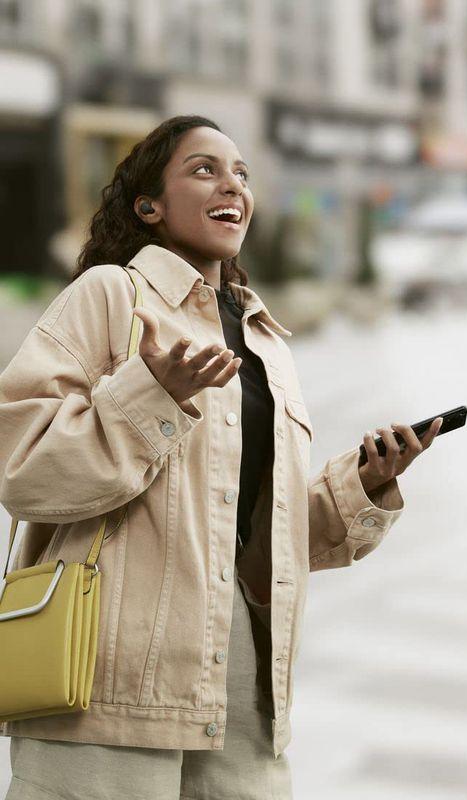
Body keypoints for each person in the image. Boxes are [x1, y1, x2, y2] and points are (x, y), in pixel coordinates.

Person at [0, 115, 443, 799]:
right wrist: (152, 396)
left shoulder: (265, 340)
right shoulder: (110, 296)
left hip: (243, 683)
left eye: (241, 172)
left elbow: (253, 529)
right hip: (110, 686)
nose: (231, 183)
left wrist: (363, 485)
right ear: (150, 204)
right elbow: (24, 473)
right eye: (204, 168)